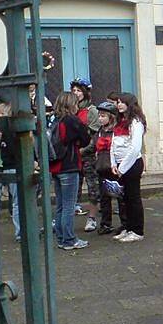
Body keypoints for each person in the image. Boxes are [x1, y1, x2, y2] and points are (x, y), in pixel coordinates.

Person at [50, 92, 91, 250]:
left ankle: (61, 238)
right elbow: (86, 138)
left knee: (60, 205)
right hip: (69, 165)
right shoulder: (72, 120)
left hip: (56, 166)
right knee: (69, 205)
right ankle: (69, 239)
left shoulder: (54, 119)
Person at [111, 93, 147, 243]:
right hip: (119, 165)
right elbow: (113, 143)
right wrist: (113, 163)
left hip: (131, 165)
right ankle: (128, 227)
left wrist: (122, 168)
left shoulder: (136, 122)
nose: (119, 105)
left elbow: (134, 148)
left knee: (133, 198)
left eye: (122, 102)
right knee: (124, 199)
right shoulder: (120, 121)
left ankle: (137, 230)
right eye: (118, 102)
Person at [91, 101, 126, 236]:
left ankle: (124, 223)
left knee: (120, 196)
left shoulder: (117, 131)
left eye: (103, 116)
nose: (100, 119)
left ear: (111, 117)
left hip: (114, 167)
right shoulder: (99, 132)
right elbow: (93, 146)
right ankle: (106, 223)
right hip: (101, 167)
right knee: (104, 197)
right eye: (99, 116)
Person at [70, 78, 101, 232]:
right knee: (73, 187)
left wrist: (83, 150)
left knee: (92, 187)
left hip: (88, 155)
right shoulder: (71, 110)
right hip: (73, 155)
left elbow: (94, 136)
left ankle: (92, 218)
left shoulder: (92, 111)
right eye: (74, 90)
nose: (76, 93)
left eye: (79, 91)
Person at [0, 102, 21, 241]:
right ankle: (20, 232)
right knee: (17, 201)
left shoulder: (5, 131)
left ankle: (21, 230)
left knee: (17, 200)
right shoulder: (8, 131)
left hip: (9, 166)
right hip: (13, 166)